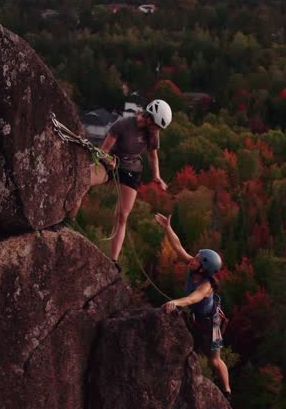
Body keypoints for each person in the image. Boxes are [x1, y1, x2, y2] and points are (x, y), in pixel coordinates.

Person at [69, 99, 172, 270]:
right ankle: (69, 221)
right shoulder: (123, 125)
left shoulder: (153, 133)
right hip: (111, 163)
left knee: (122, 215)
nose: (157, 131)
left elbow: (153, 156)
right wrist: (107, 160)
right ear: (148, 118)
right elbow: (104, 150)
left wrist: (157, 176)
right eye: (156, 126)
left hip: (131, 169)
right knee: (82, 179)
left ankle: (113, 261)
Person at [155, 212, 231, 399]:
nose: (193, 259)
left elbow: (193, 299)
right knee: (189, 350)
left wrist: (175, 302)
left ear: (203, 268)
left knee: (214, 360)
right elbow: (178, 247)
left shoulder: (206, 286)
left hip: (211, 323)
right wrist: (167, 227)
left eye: (197, 259)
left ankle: (227, 391)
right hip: (198, 319)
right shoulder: (194, 266)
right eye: (196, 256)